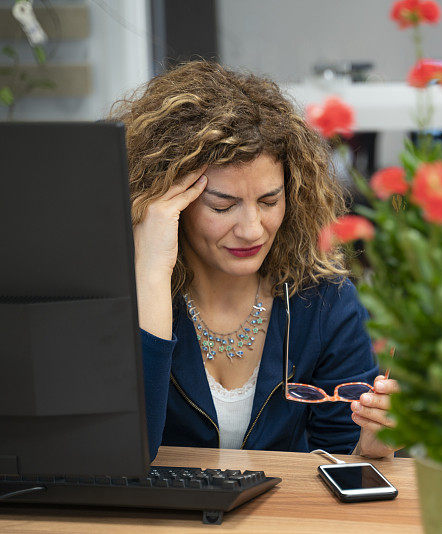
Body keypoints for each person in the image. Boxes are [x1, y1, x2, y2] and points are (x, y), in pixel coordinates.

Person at [112, 60, 400, 461]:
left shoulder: (324, 301)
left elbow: (340, 460)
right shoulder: (122, 296)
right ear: (167, 201)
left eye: (269, 201)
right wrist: (152, 270)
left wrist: (371, 447)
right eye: (223, 205)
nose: (252, 229)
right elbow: (124, 453)